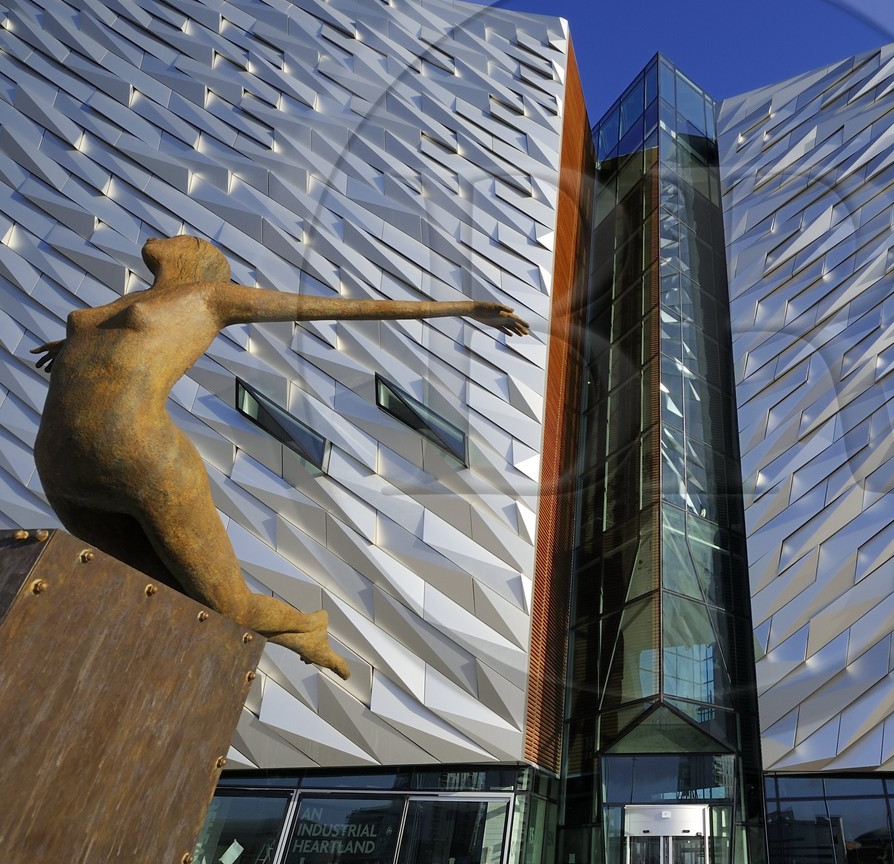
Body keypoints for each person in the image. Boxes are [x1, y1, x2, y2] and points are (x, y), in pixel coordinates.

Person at [31, 235, 529, 678]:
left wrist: (463, 308)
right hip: (62, 470)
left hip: (139, 456)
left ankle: (305, 627)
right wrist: (74, 344)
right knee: (153, 598)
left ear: (203, 262)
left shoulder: (210, 298)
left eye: (194, 241)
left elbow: (337, 308)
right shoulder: (133, 301)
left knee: (224, 604)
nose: (177, 238)